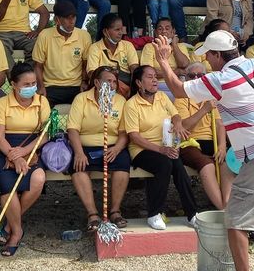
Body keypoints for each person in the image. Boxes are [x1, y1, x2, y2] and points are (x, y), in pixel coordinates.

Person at [155, 29, 254, 271]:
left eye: (208, 55)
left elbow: (178, 89)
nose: (207, 60)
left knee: (235, 217)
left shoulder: (221, 80)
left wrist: (163, 60)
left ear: (218, 55)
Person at [123, 65, 198, 230]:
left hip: (165, 146)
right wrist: (161, 150)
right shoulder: (131, 105)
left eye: (155, 77)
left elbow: (175, 114)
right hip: (141, 150)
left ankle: (192, 214)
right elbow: (134, 136)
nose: (155, 80)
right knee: (164, 163)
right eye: (149, 77)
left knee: (178, 166)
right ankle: (154, 214)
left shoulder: (162, 97)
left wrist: (177, 124)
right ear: (139, 83)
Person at [0, 63, 49, 256]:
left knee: (38, 178)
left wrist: (24, 152)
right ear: (14, 85)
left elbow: (45, 136)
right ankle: (17, 232)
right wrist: (15, 157)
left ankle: (9, 224)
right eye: (26, 84)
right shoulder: (2, 103)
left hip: (31, 147)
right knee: (8, 189)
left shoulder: (42, 102)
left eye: (34, 83)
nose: (31, 88)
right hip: (5, 149)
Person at [67, 66, 131, 230]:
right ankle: (93, 214)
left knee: (122, 164)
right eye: (108, 81)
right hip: (85, 147)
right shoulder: (81, 99)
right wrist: (79, 153)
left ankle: (115, 211)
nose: (112, 85)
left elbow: (124, 132)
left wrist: (117, 148)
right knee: (79, 168)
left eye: (114, 82)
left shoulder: (120, 101)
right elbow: (73, 129)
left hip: (112, 146)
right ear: (96, 82)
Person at [174, 62, 226, 210]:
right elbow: (184, 126)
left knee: (226, 163)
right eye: (192, 76)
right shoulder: (181, 99)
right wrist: (204, 110)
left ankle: (228, 202)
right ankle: (222, 207)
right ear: (187, 78)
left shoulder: (210, 97)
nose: (196, 78)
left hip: (210, 140)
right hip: (189, 142)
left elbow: (219, 124)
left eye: (200, 75)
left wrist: (222, 145)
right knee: (207, 164)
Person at [32, 0, 91, 106]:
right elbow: (38, 66)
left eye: (73, 17)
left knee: (88, 107)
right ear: (57, 20)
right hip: (51, 86)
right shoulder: (45, 35)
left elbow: (85, 64)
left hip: (76, 86)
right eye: (67, 18)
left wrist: (84, 82)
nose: (72, 21)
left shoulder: (84, 36)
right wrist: (41, 86)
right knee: (40, 107)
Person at [86, 13, 139, 93]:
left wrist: (132, 90)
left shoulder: (128, 45)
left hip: (126, 88)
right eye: (117, 30)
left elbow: (134, 69)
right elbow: (92, 74)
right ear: (105, 32)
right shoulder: (95, 48)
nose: (121, 33)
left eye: (121, 29)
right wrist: (116, 83)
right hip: (103, 89)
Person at [140, 17, 192, 81]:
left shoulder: (180, 46)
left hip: (178, 83)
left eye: (167, 28)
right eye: (160, 29)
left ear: (173, 31)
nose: (164, 31)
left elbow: (184, 64)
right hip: (157, 84)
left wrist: (174, 45)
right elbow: (147, 72)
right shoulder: (149, 47)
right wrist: (176, 72)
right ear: (155, 32)